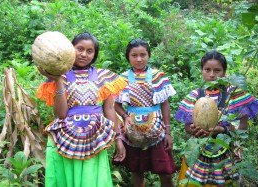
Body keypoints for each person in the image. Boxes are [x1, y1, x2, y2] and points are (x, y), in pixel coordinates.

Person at [35, 32, 126, 187]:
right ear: (70, 50)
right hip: (66, 138)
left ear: (95, 54)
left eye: (89, 51)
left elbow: (109, 110)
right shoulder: (59, 77)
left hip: (94, 138)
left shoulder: (103, 77)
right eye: (80, 49)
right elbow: (61, 114)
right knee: (67, 179)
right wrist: (57, 80)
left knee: (92, 180)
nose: (84, 54)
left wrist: (118, 139)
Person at [175, 50, 258, 187]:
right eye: (207, 70)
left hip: (226, 153)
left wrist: (223, 129)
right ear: (202, 70)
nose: (212, 75)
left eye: (217, 70)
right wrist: (193, 130)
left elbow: (243, 127)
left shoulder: (233, 94)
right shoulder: (194, 96)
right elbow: (187, 127)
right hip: (198, 151)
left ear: (224, 72)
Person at [113, 38, 177, 187]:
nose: (139, 59)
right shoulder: (122, 79)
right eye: (134, 55)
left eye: (143, 55)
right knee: (137, 171)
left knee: (166, 172)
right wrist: (125, 116)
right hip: (133, 132)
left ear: (149, 55)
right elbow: (115, 105)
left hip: (157, 130)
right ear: (128, 57)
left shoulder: (158, 76)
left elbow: (165, 104)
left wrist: (168, 132)